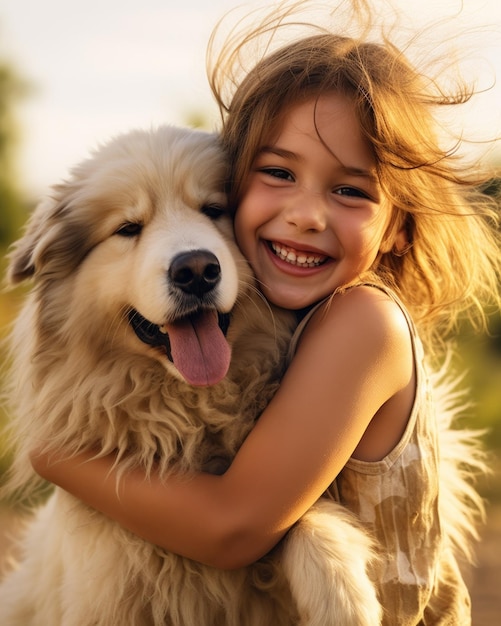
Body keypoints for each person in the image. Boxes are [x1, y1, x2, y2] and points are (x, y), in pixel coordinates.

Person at [30, 1, 501, 624]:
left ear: (398, 227)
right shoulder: (308, 321)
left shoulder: (359, 322)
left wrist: (55, 458)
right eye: (278, 172)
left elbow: (238, 521)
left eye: (350, 190)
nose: (307, 214)